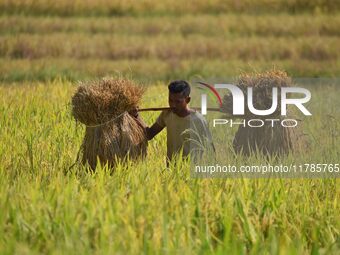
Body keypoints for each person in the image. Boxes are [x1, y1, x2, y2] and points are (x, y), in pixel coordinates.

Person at [130, 80, 214, 166]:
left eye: (178, 102)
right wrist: (136, 116)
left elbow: (211, 149)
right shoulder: (167, 114)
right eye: (170, 100)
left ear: (187, 100)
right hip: (171, 170)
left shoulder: (198, 120)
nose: (173, 105)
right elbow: (149, 134)